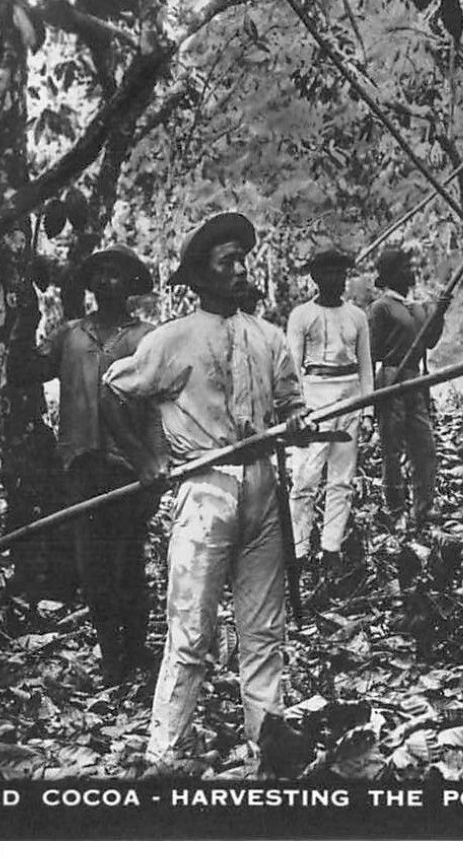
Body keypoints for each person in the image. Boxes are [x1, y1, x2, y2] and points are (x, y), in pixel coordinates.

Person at [103, 212, 310, 776]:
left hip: (264, 487)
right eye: (228, 263)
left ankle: (266, 744)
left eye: (243, 259)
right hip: (205, 488)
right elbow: (116, 392)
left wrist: (297, 424)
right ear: (200, 276)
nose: (240, 270)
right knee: (191, 630)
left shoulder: (268, 337)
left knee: (263, 630)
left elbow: (293, 405)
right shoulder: (170, 341)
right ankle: (164, 752)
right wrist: (147, 461)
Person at [34, 245, 161, 686]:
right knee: (93, 566)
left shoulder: (147, 337)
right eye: (100, 274)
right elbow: (30, 370)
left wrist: (155, 463)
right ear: (90, 285)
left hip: (129, 466)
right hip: (80, 463)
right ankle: (111, 657)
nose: (108, 282)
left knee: (129, 560)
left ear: (131, 286)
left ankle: (137, 649)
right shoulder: (70, 335)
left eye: (118, 275)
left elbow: (162, 404)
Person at [286, 249, 372, 577]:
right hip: (314, 400)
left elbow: (365, 366)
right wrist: (297, 408)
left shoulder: (357, 317)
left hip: (349, 397)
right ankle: (299, 547)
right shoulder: (301, 316)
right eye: (328, 273)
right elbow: (293, 366)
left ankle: (331, 547)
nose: (336, 280)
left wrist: (367, 411)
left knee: (342, 479)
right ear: (316, 278)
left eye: (341, 273)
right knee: (305, 477)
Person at [366, 245, 450, 527]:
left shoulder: (417, 307)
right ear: (390, 275)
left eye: (409, 267)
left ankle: (424, 507)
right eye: (403, 268)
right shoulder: (381, 308)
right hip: (391, 378)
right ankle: (396, 509)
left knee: (424, 446)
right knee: (392, 448)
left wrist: (439, 312)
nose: (409, 272)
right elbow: (372, 350)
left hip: (416, 379)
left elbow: (429, 341)